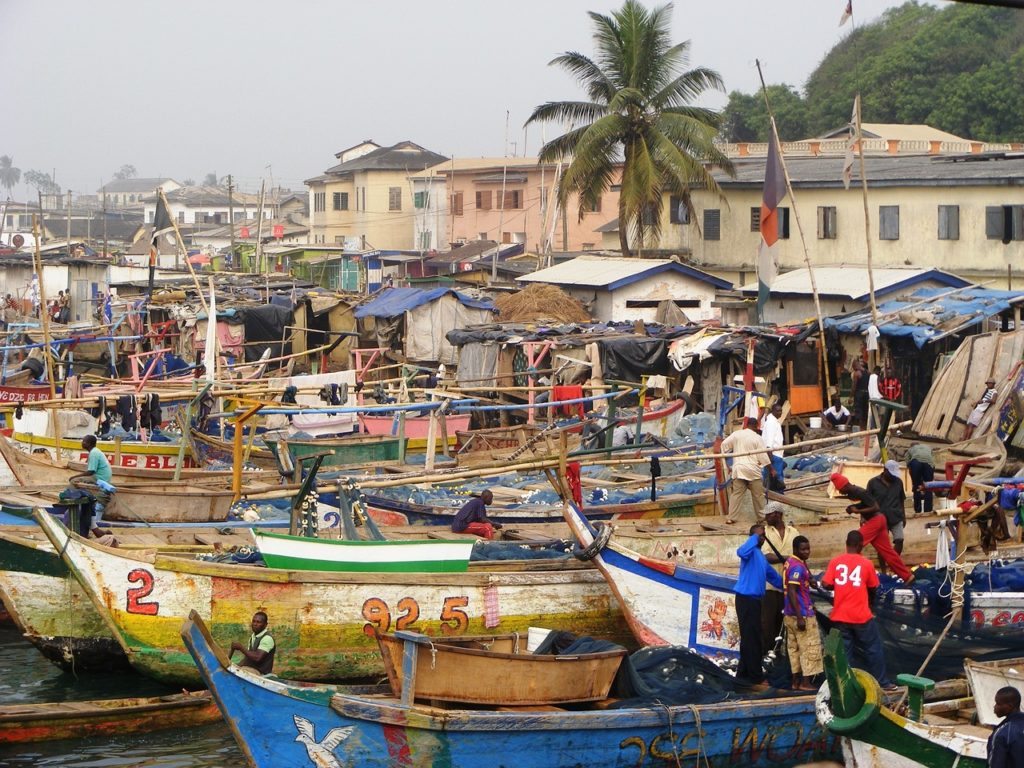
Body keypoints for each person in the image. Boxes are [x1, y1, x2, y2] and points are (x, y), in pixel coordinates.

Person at [821, 530, 897, 691]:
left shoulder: (836, 562)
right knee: (873, 649)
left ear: (846, 543)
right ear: (860, 545)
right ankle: (883, 682)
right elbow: (873, 587)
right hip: (861, 615)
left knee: (845, 652)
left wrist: (840, 586)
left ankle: (847, 685)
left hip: (840, 615)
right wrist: (869, 603)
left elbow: (826, 584)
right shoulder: (866, 563)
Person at [832, 473, 914, 584]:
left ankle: (847, 574)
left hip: (877, 520)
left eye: (839, 490)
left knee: (854, 543)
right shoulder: (852, 492)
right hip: (879, 521)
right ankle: (907, 576)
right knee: (888, 553)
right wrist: (853, 508)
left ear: (844, 486)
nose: (840, 492)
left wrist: (857, 511)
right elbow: (866, 504)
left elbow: (875, 507)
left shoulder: (859, 491)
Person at [735, 523, 784, 689]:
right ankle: (756, 677)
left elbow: (775, 579)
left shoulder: (761, 558)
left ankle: (742, 673)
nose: (763, 539)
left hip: (755, 601)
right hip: (745, 599)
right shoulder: (749, 552)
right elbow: (740, 551)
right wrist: (755, 536)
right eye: (760, 536)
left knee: (750, 638)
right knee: (753, 639)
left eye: (763, 537)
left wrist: (793, 584)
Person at [784, 535, 823, 691]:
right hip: (802, 615)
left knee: (793, 649)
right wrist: (800, 616)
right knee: (809, 648)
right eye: (803, 549)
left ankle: (795, 682)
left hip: (788, 614)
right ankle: (806, 683)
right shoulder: (798, 567)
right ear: (795, 549)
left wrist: (810, 580)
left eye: (808, 548)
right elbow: (792, 591)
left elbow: (802, 581)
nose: (807, 552)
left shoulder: (792, 562)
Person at [762, 501, 800, 655]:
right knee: (767, 624)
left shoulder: (794, 532)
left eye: (768, 514)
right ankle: (766, 654)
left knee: (782, 623)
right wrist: (789, 559)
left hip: (789, 586)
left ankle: (777, 654)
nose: (765, 517)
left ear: (777, 515)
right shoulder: (764, 532)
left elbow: (801, 555)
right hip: (769, 586)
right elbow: (766, 556)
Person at [721, 420, 774, 522]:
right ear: (756, 426)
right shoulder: (757, 438)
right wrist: (771, 469)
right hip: (752, 470)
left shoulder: (736, 434)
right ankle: (761, 518)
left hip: (739, 469)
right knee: (758, 496)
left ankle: (731, 518)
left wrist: (726, 464)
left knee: (736, 494)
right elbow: (762, 455)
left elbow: (723, 445)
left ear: (746, 425)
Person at [71, 434, 116, 531]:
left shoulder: (94, 453)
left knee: (74, 481)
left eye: (84, 441)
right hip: (100, 478)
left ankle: (73, 503)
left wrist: (76, 476)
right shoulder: (95, 452)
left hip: (99, 479)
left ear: (90, 443)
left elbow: (91, 471)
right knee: (79, 480)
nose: (82, 443)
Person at [867, 460, 908, 555]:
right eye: (891, 473)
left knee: (899, 540)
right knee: (882, 545)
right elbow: (866, 501)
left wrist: (903, 517)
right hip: (879, 518)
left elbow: (901, 500)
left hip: (896, 516)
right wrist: (863, 518)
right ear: (885, 470)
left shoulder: (898, 482)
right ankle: (884, 569)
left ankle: (893, 561)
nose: (893, 476)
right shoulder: (873, 483)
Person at [988, 686, 1024, 768]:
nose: (995, 707)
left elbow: (995, 764)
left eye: (998, 704)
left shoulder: (1002, 734)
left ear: (1009, 706)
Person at [761, 402, 785, 491]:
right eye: (778, 411)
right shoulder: (771, 423)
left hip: (775, 454)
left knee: (771, 480)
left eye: (781, 411)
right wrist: (770, 463)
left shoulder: (774, 421)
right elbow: (769, 445)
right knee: (777, 480)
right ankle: (778, 499)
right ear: (773, 411)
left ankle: (772, 497)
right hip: (773, 455)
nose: (780, 413)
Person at [907, 443, 936, 514]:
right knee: (929, 487)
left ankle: (917, 510)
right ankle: (928, 510)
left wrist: (915, 481)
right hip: (929, 464)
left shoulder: (910, 449)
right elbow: (932, 462)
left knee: (916, 487)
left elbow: (908, 464)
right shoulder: (927, 447)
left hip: (915, 463)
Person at [852, 360, 869, 429]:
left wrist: (851, 396)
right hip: (867, 393)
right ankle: (864, 427)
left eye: (853, 367)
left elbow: (854, 386)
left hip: (859, 394)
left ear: (855, 366)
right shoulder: (868, 372)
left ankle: (859, 427)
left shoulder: (857, 373)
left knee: (858, 410)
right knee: (865, 410)